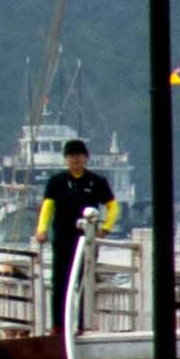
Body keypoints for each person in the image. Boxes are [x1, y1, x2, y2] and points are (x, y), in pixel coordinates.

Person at [36, 138, 119, 329]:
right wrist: (41, 230)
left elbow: (112, 206)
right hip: (62, 239)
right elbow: (48, 207)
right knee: (60, 282)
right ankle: (58, 326)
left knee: (85, 281)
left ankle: (84, 325)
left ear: (86, 157)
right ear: (65, 159)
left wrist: (105, 228)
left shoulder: (96, 181)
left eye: (79, 156)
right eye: (71, 156)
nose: (75, 160)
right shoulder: (56, 181)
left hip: (87, 241)